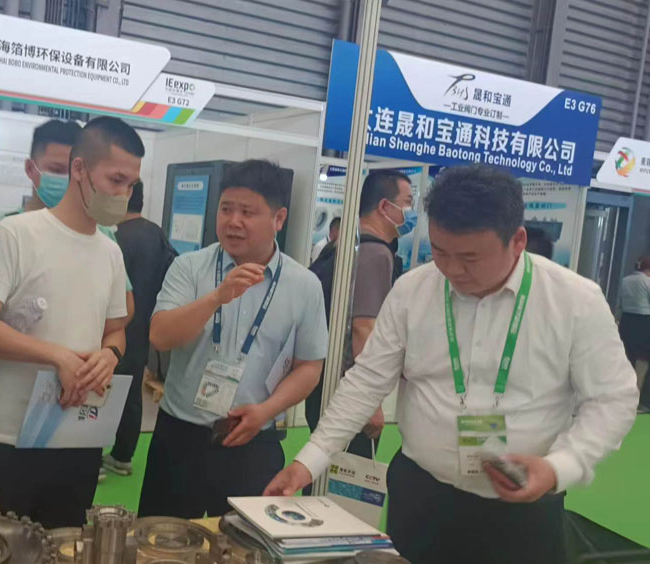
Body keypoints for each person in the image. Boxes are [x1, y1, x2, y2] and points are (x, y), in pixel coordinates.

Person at [265, 164, 638, 564]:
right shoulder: (414, 291)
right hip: (422, 496)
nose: (453, 270)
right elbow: (367, 380)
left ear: (518, 241)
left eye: (470, 257)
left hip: (523, 509)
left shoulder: (575, 301)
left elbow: (612, 400)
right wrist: (310, 460)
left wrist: (560, 466)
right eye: (441, 252)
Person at [0, 116, 141, 528]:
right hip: (7, 436)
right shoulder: (16, 234)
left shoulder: (110, 251)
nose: (123, 194)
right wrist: (56, 355)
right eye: (115, 180)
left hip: (79, 434)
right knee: (0, 545)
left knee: (66, 544)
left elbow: (116, 329)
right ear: (79, 169)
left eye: (131, 185)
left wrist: (110, 356)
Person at [138, 159, 327, 518]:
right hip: (180, 437)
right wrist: (215, 298)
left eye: (247, 212)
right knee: (162, 537)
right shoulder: (189, 267)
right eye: (226, 209)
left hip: (253, 439)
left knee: (245, 540)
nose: (233, 221)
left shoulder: (304, 286)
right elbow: (160, 336)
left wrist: (266, 411)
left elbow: (309, 367)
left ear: (279, 218)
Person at [0, 119, 134, 444]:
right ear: (31, 168)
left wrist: (106, 353)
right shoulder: (1, 231)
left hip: (77, 410)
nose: (68, 179)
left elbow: (119, 317)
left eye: (129, 184)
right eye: (57, 169)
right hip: (9, 403)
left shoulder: (107, 242)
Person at [306, 170, 414, 459]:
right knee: (348, 477)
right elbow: (364, 327)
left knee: (324, 466)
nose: (411, 212)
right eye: (407, 202)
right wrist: (371, 403)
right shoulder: (376, 253)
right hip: (348, 390)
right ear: (384, 206)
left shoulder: (343, 244)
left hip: (324, 380)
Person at [102, 180, 177, 478]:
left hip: (110, 330)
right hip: (144, 328)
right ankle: (123, 456)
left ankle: (89, 455)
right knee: (131, 392)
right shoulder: (156, 234)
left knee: (96, 389)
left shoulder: (111, 237)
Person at [618, 256, 650, 410]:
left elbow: (621, 301)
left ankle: (622, 395)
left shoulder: (625, 280)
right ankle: (643, 400)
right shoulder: (647, 282)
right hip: (644, 323)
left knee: (627, 359)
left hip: (626, 321)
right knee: (645, 359)